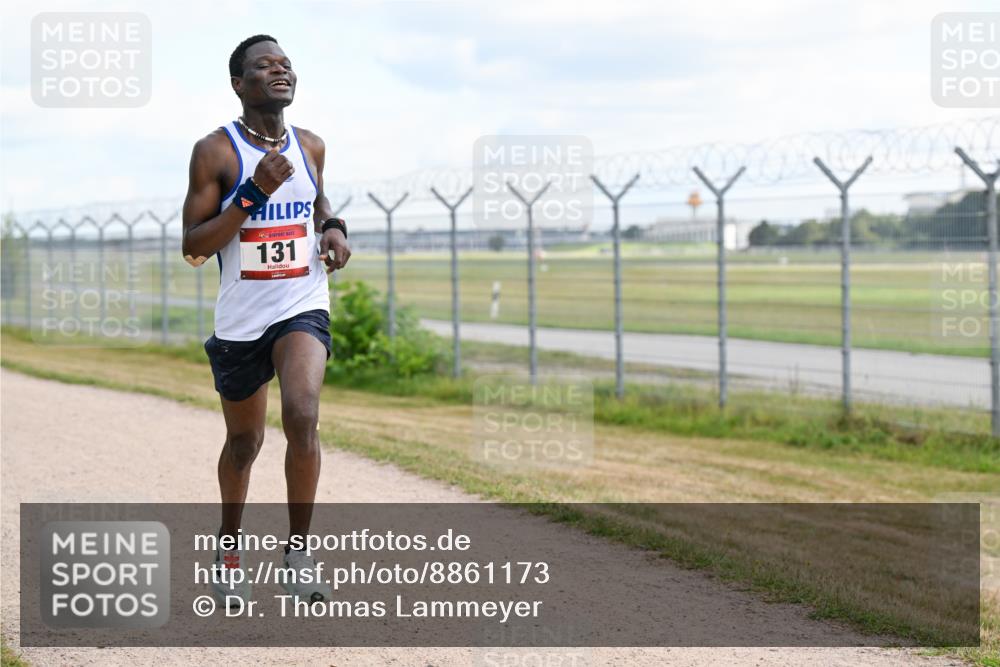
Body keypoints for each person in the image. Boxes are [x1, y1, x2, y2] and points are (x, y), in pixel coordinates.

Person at [181, 34, 350, 605]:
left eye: (285, 64)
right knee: (244, 442)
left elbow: (316, 201)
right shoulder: (216, 152)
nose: (279, 70)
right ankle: (229, 551)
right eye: (263, 65)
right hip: (241, 319)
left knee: (302, 416)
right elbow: (194, 248)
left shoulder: (311, 145)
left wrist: (333, 229)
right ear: (239, 83)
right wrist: (252, 193)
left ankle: (298, 555)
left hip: (302, 300)